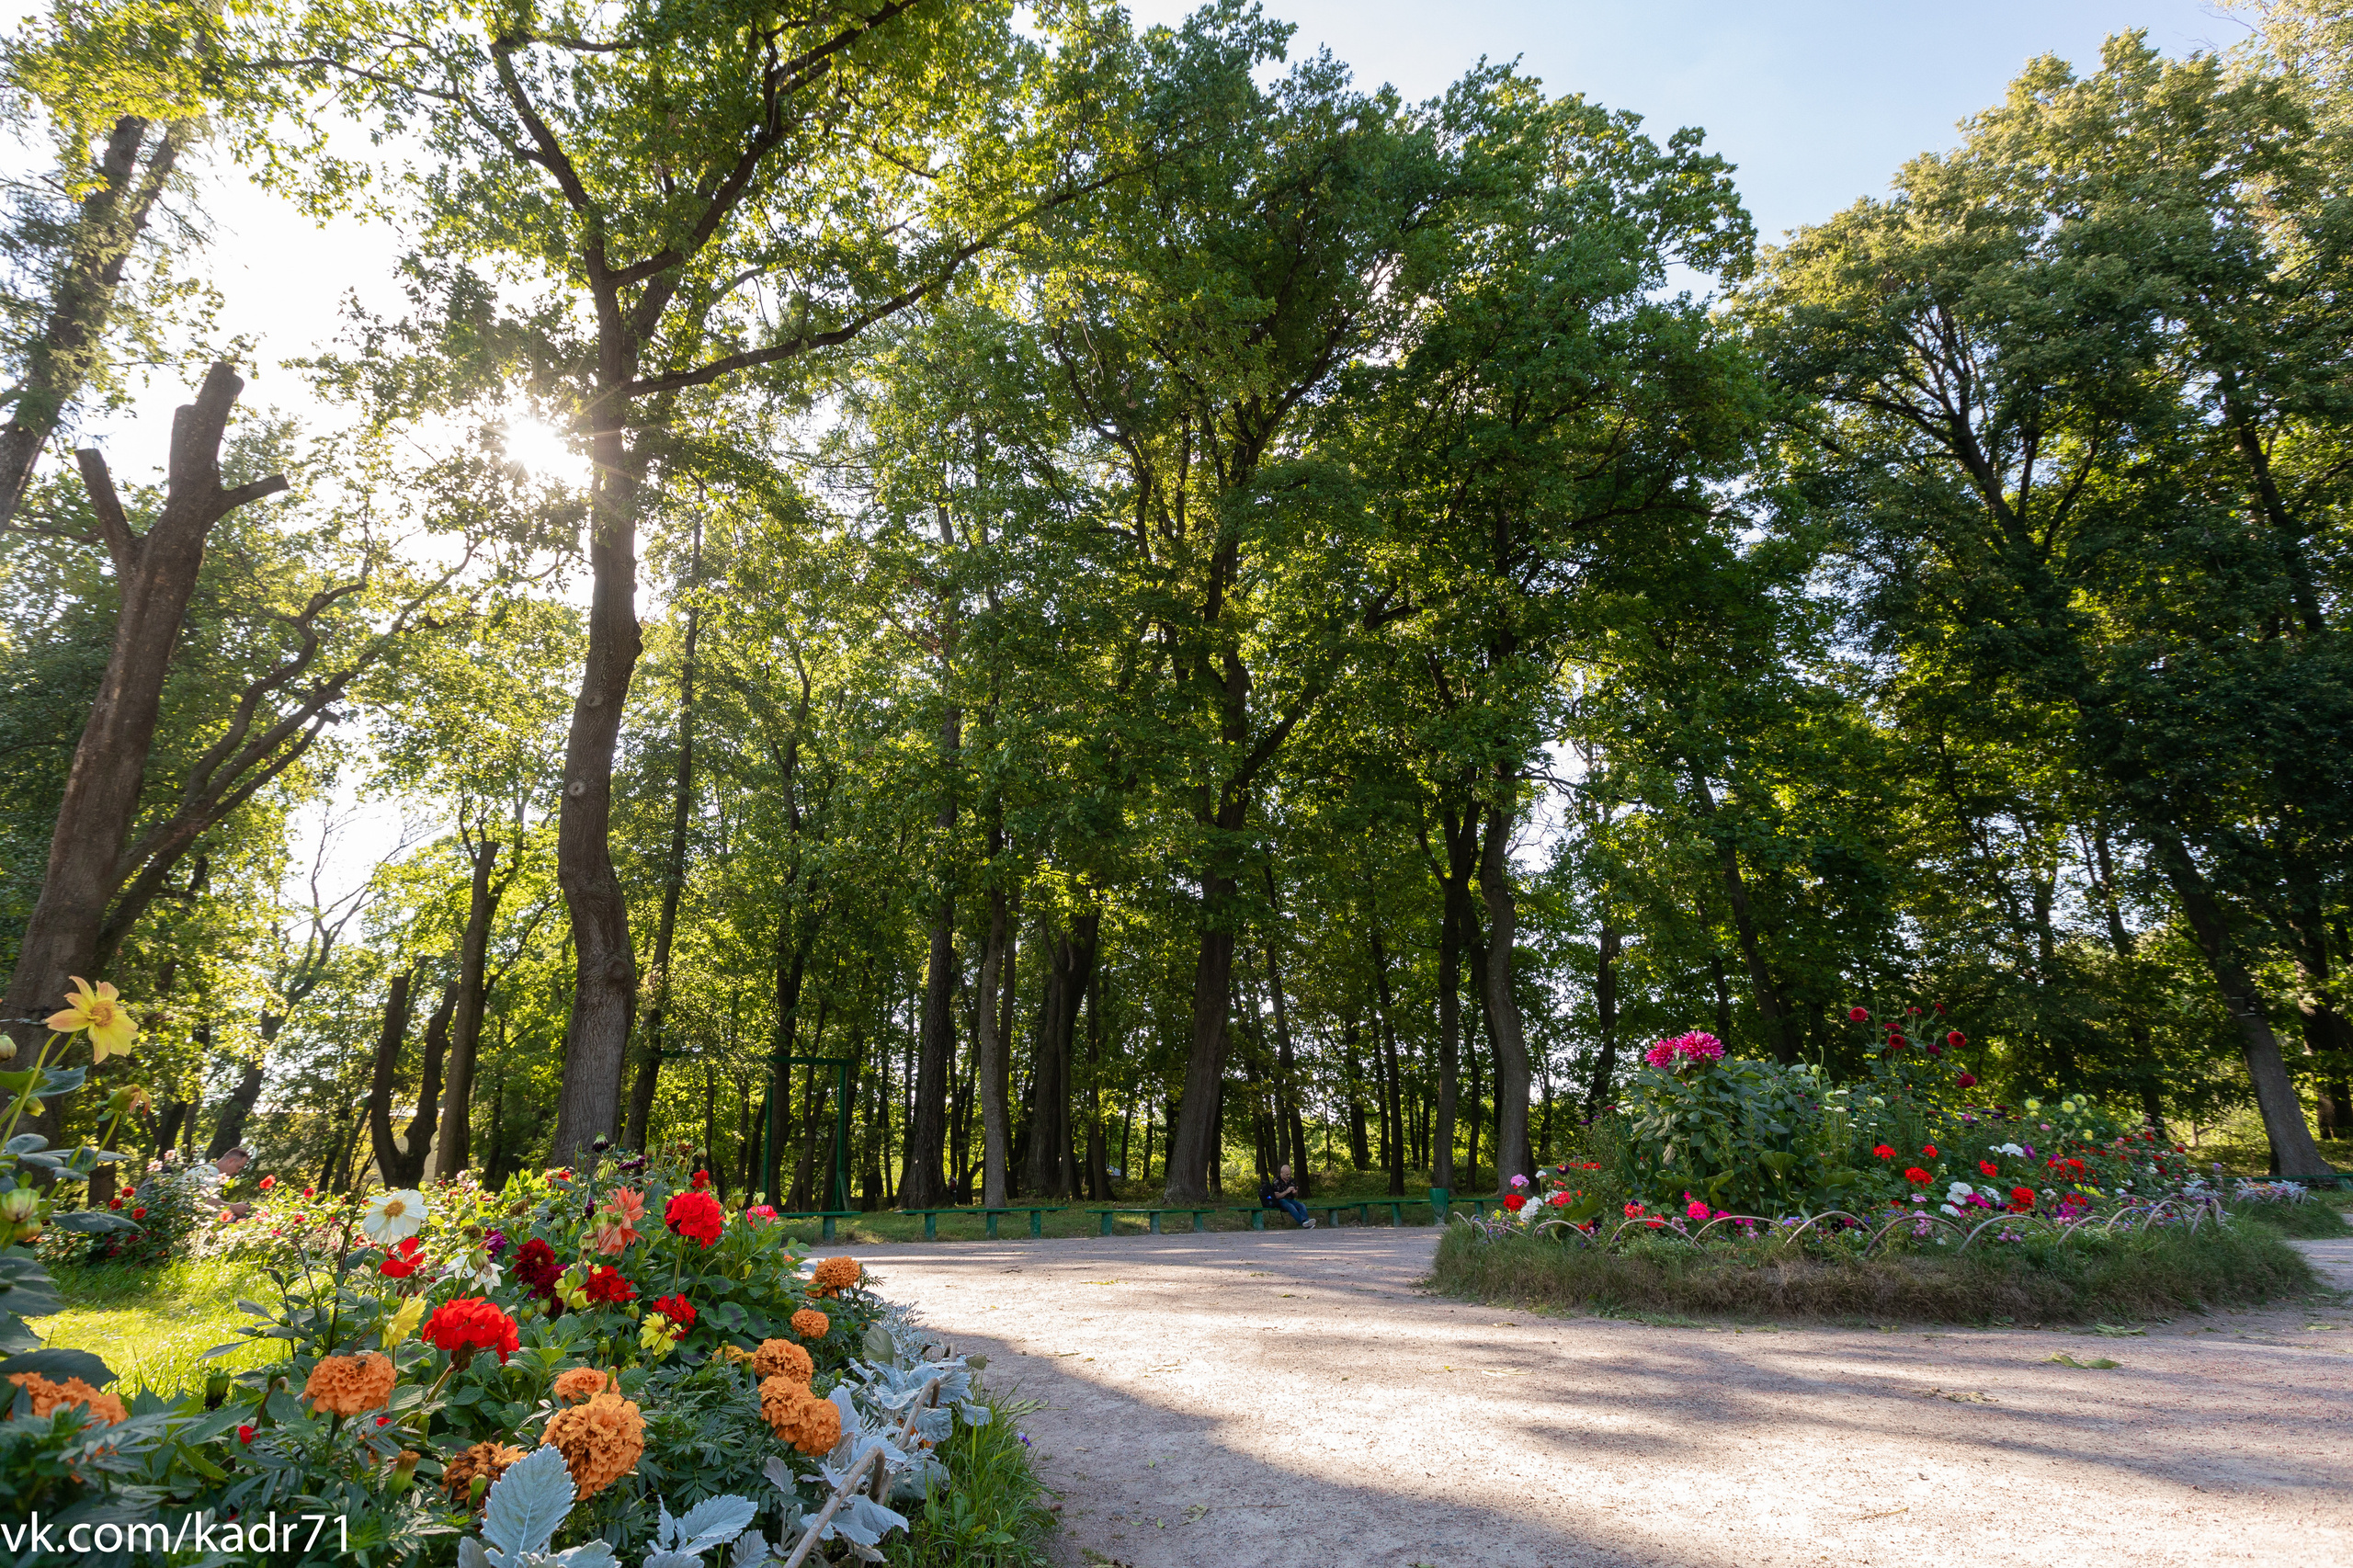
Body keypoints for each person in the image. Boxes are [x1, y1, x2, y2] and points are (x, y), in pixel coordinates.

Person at [189, 1146, 254, 1218]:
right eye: (238, 1167)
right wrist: (232, 1207)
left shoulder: (208, 1169)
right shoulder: (212, 1171)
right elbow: (206, 1200)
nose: (237, 1171)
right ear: (230, 1161)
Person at [1264, 1165, 1313, 1229]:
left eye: (1289, 1174)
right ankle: (1304, 1224)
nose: (1288, 1176)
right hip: (1281, 1201)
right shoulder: (1276, 1181)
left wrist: (1295, 1193)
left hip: (1291, 1199)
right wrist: (1286, 1191)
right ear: (1282, 1173)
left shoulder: (1291, 1180)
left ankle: (1306, 1221)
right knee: (1291, 1207)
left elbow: (1295, 1195)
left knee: (1302, 1206)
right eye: (1287, 1174)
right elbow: (1276, 1196)